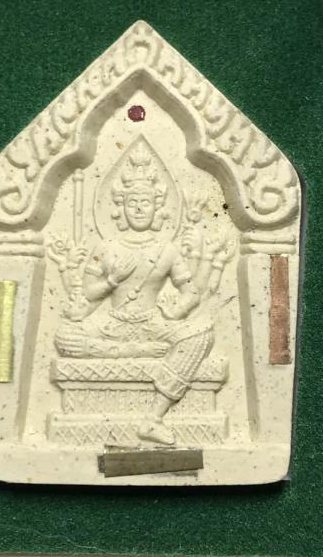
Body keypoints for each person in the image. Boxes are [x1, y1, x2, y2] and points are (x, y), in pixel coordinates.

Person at [55, 144, 214, 445]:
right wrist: (111, 281)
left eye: (145, 202)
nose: (140, 209)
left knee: (203, 332)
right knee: (64, 337)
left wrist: (177, 311)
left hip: (152, 322)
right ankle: (137, 350)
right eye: (132, 203)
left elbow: (191, 292)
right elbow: (89, 293)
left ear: (158, 208)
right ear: (120, 208)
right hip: (113, 323)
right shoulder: (107, 247)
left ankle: (153, 418)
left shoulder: (167, 249)